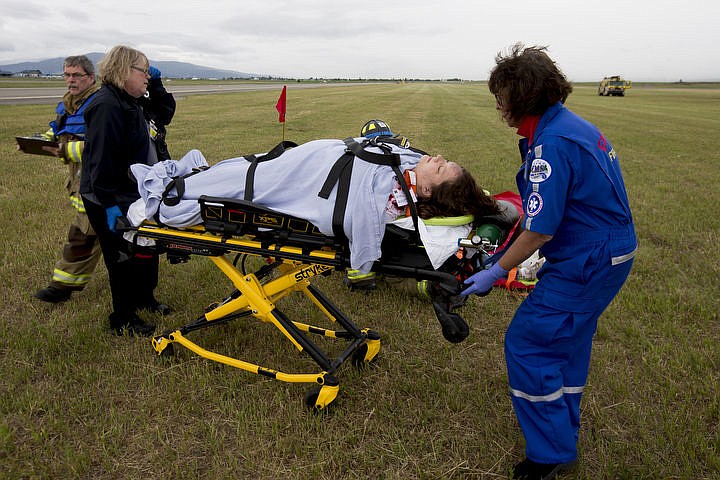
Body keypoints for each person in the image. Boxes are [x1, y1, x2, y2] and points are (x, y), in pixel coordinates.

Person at [462, 44, 637, 480]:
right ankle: (563, 432)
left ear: (519, 98)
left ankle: (550, 455)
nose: (498, 105)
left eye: (500, 96)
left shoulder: (551, 146)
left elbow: (540, 230)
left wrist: (496, 270)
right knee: (568, 342)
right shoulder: (565, 127)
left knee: (530, 342)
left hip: (589, 256)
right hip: (606, 249)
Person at [129, 136, 501, 274]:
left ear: (430, 193)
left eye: (440, 166)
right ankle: (191, 180)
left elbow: (364, 246)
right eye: (441, 158)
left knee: (241, 183)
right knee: (243, 169)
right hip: (306, 164)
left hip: (297, 181)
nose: (435, 157)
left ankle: (166, 199)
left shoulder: (389, 195)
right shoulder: (405, 165)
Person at [80, 45, 170, 336]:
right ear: (123, 70)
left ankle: (145, 298)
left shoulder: (130, 100)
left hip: (134, 195)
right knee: (120, 255)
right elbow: (101, 166)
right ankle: (122, 317)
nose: (147, 77)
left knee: (145, 248)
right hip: (110, 198)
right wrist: (111, 209)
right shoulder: (107, 106)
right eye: (143, 71)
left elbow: (164, 112)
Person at [30, 55, 101, 303]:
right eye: (67, 75)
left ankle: (61, 287)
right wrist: (38, 142)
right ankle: (62, 284)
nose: (70, 80)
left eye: (76, 75)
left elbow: (103, 143)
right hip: (81, 179)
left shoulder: (98, 103)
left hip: (98, 179)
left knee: (85, 233)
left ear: (91, 78)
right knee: (89, 231)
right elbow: (58, 128)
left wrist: (66, 150)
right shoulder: (68, 103)